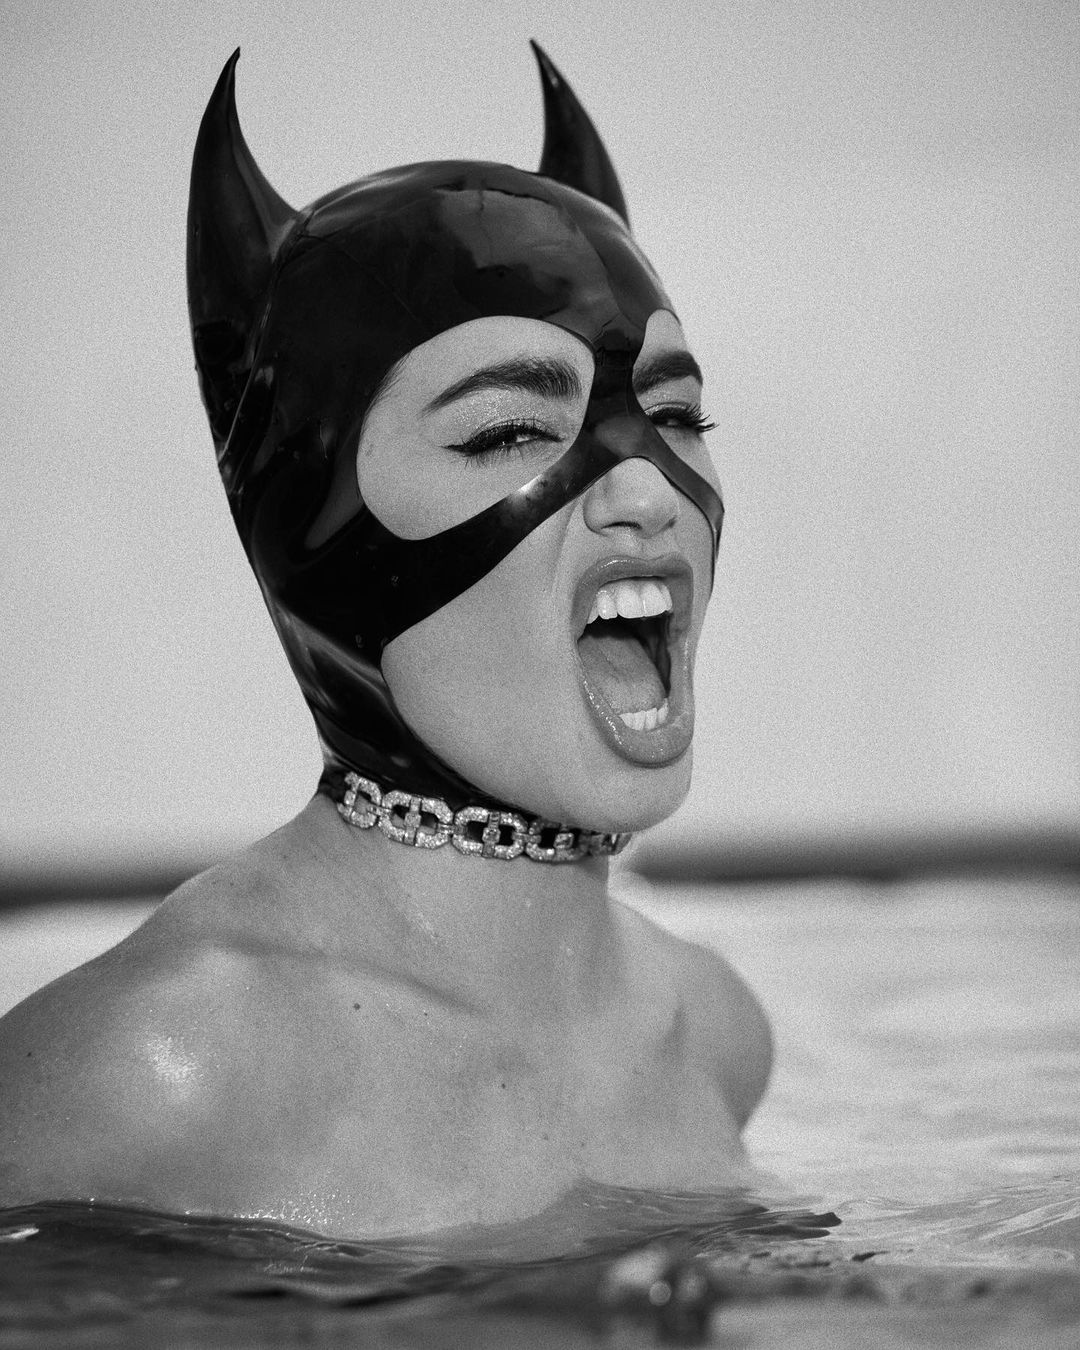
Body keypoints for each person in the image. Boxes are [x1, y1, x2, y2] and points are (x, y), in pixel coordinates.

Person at [0, 45, 771, 1240]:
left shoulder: (714, 1034)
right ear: (309, 533)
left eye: (675, 412)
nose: (645, 488)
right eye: (510, 430)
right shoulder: (147, 1076)